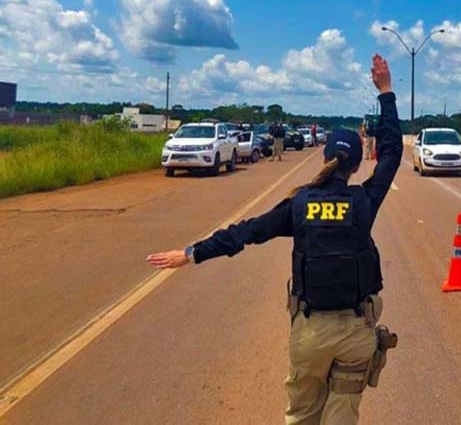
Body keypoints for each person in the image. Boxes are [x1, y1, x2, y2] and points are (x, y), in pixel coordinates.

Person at [146, 54, 402, 425]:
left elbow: (245, 232)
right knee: (343, 413)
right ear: (358, 166)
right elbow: (392, 153)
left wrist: (190, 253)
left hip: (311, 334)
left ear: (325, 158)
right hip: (355, 333)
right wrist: (386, 92)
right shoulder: (363, 201)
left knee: (301, 415)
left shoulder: (298, 205)